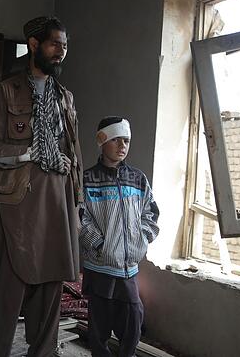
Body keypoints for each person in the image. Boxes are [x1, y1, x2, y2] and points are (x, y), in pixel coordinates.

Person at [0, 16, 84, 357]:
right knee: (9, 284)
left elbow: (74, 150)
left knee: (51, 280)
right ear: (34, 45)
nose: (61, 52)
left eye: (65, 46)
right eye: (55, 44)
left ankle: (43, 351)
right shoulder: (5, 90)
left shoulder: (66, 97)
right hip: (18, 197)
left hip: (58, 197)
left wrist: (78, 199)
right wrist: (30, 152)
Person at [80, 117, 160, 357]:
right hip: (100, 267)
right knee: (99, 328)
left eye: (126, 140)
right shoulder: (87, 180)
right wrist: (101, 245)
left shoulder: (138, 179)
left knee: (133, 320)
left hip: (129, 269)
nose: (122, 145)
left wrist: (141, 240)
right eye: (116, 140)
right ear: (102, 141)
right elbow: (80, 218)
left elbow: (151, 214)